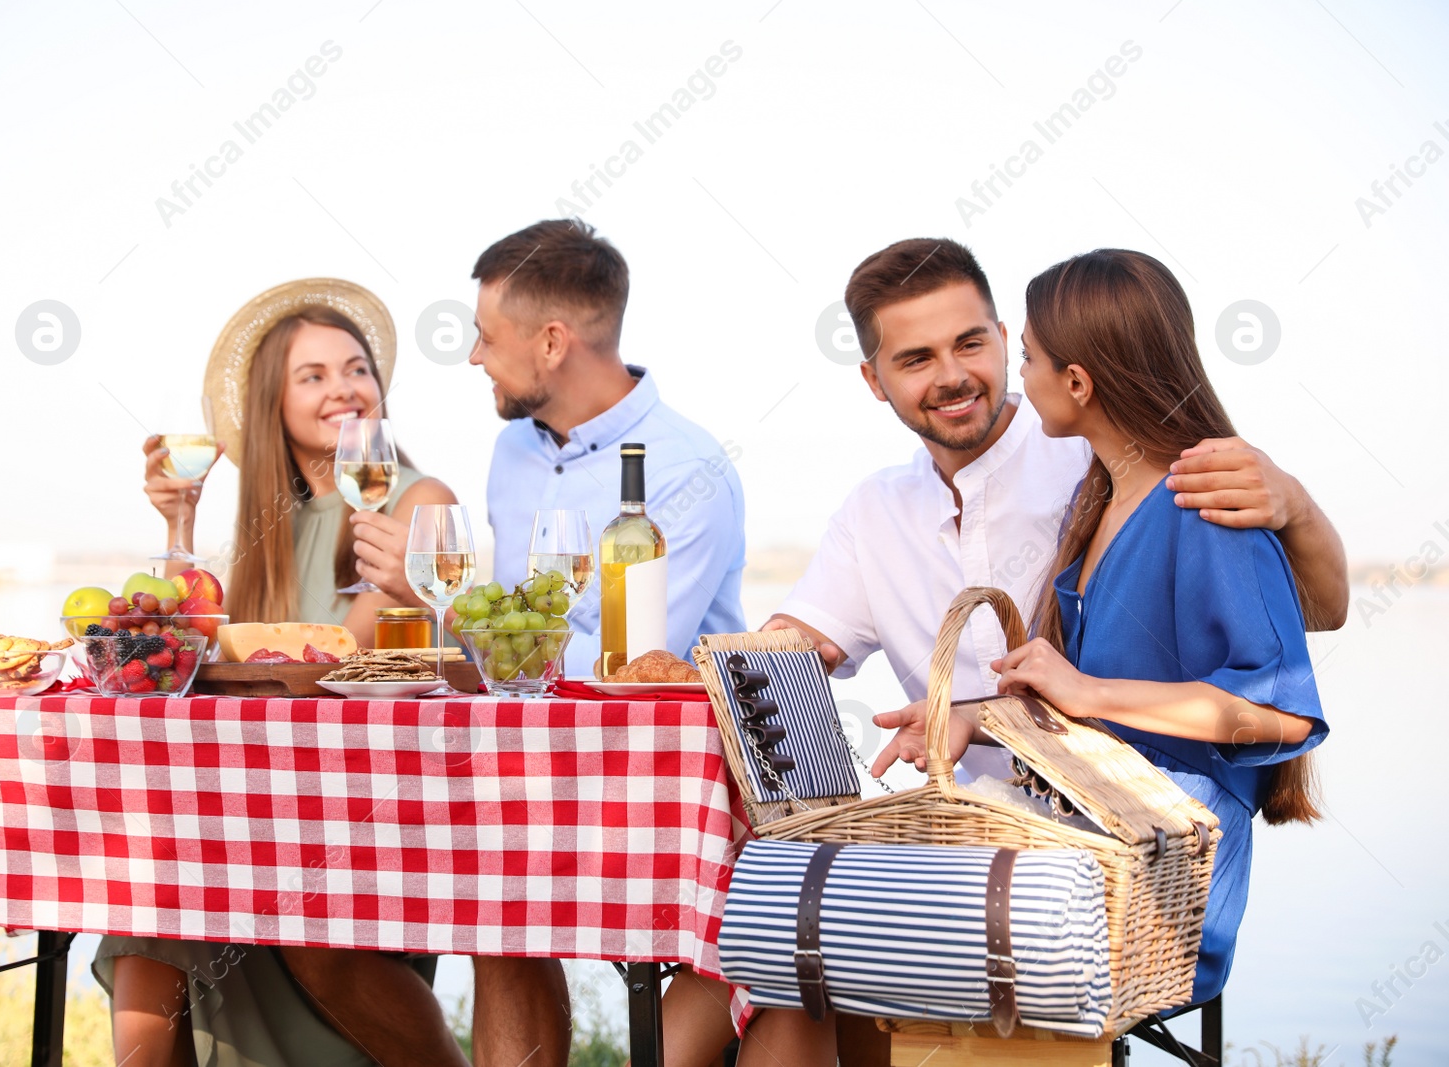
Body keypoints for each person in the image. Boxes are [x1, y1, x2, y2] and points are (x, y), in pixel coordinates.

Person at [660, 238, 1349, 1067]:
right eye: (916, 357)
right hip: (1001, 836)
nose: (955, 374)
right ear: (875, 381)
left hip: (1109, 862)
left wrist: (1297, 505)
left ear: (1061, 370)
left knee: (795, 931)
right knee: (775, 928)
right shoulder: (990, 497)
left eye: (981, 344)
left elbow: (1297, 631)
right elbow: (796, 642)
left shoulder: (1110, 465)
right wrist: (695, 666)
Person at [97, 279, 468, 1067]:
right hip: (269, 799)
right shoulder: (272, 524)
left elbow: (335, 660)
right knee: (152, 891)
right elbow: (195, 642)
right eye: (314, 375)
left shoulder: (417, 500)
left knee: (195, 884)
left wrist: (237, 661)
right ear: (276, 401)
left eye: (356, 368)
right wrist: (180, 523)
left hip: (369, 803)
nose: (344, 389)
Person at [472, 218, 747, 672]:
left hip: (652, 741)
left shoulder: (689, 473)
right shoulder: (511, 448)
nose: (475, 356)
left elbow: (632, 665)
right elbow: (505, 644)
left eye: (487, 337)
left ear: (552, 343)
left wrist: (475, 631)